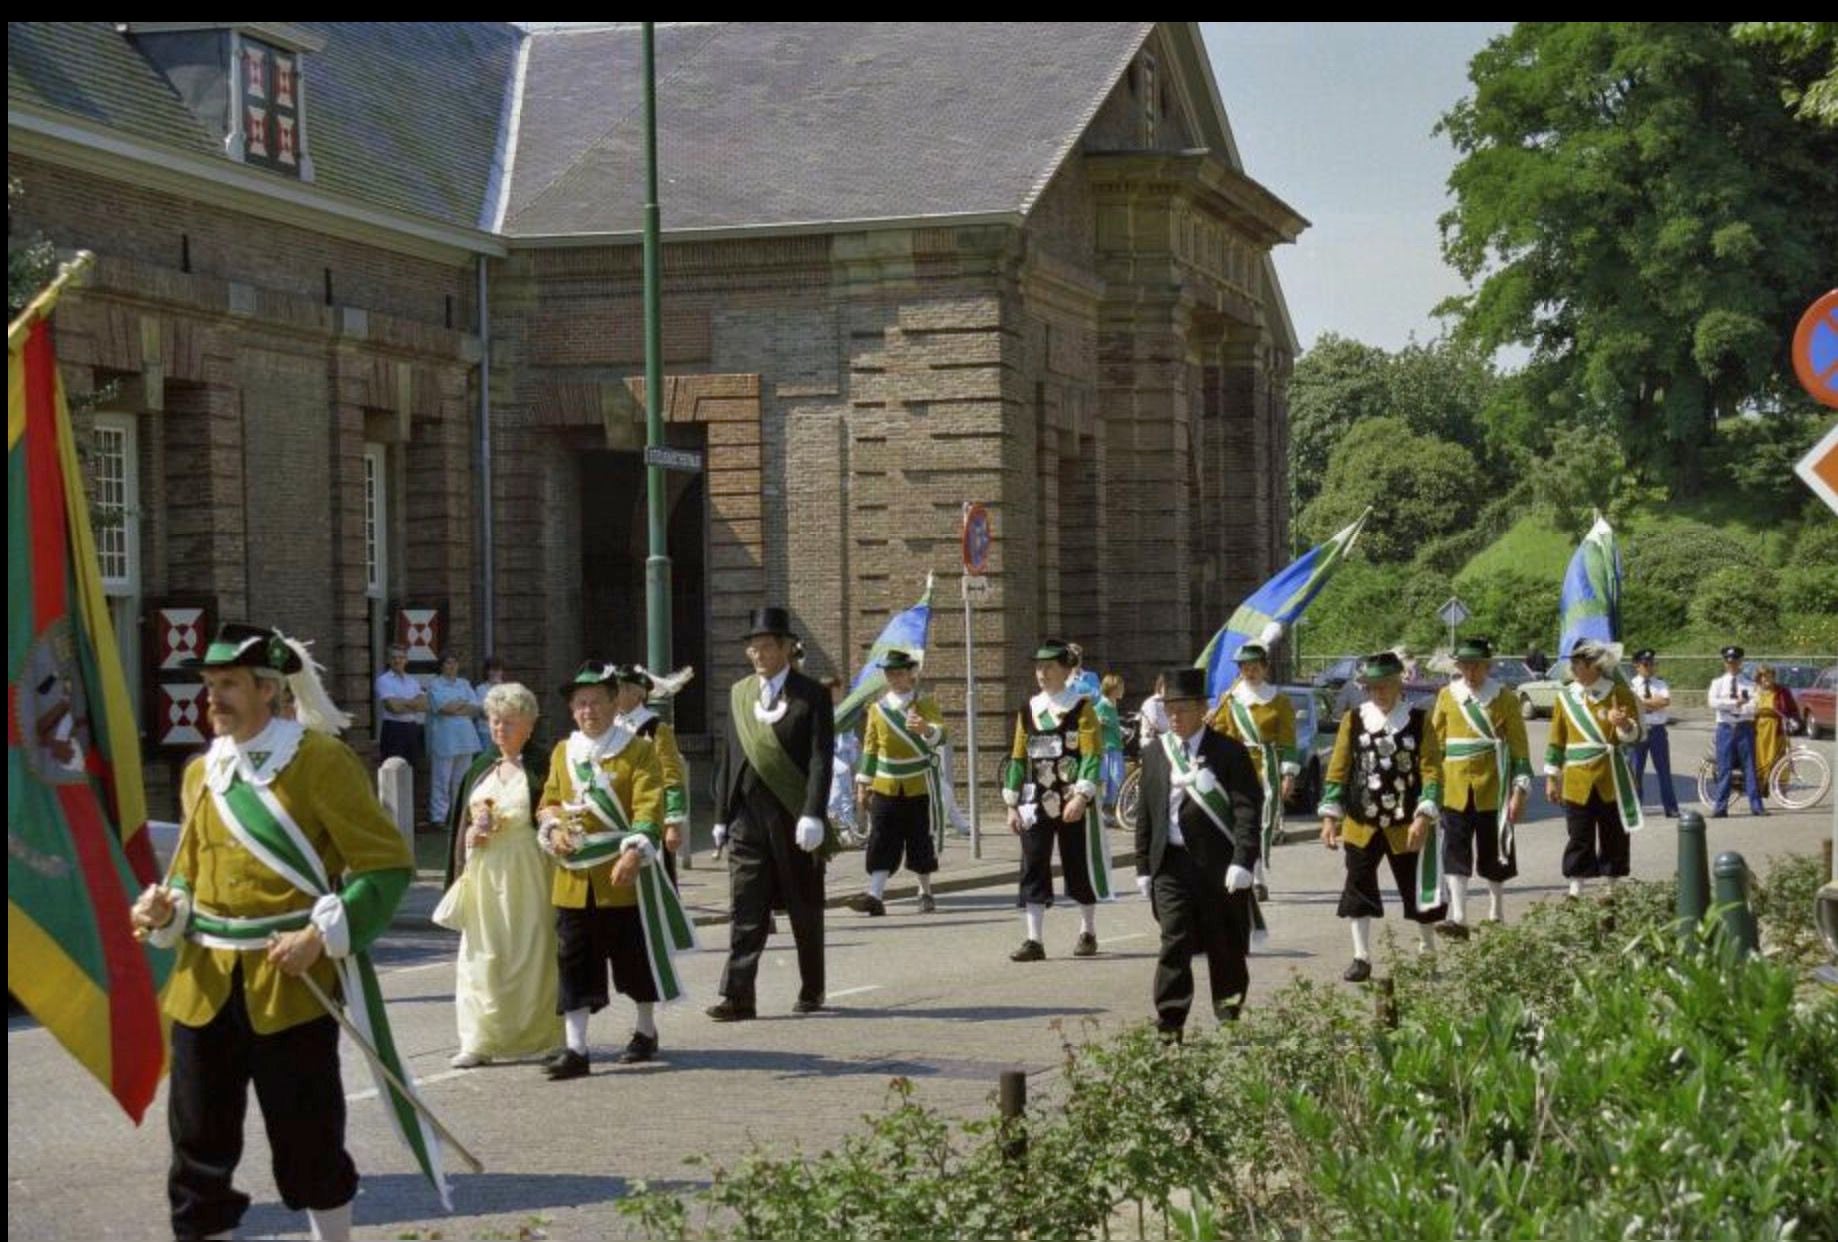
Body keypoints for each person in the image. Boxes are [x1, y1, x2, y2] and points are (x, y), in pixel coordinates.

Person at [130, 623, 419, 1241]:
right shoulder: (200, 772)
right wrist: (167, 907)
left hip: (290, 981)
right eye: (208, 686)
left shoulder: (318, 760)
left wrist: (321, 937)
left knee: (308, 1137)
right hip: (204, 984)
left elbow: (385, 865)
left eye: (228, 684)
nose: (213, 699)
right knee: (197, 1144)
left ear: (268, 689)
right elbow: (190, 874)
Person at [536, 662, 682, 1077]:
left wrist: (635, 852)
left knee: (632, 957)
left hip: (622, 873)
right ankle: (576, 1050)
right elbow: (548, 800)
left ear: (614, 702)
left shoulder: (637, 749)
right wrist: (553, 827)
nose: (588, 711)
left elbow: (648, 804)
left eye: (596, 702)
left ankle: (645, 1029)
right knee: (573, 960)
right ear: (571, 709)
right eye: (580, 704)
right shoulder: (564, 752)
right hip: (574, 876)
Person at [707, 608, 834, 1020]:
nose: (757, 653)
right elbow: (729, 757)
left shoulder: (810, 694)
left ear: (785, 648)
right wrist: (721, 816)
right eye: (753, 647)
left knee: (803, 904)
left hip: (792, 812)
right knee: (746, 905)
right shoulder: (740, 693)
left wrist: (813, 812)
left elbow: (820, 758)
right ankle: (738, 995)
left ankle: (812, 988)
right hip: (747, 815)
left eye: (765, 646)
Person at [438, 681, 563, 1068]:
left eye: (508, 722)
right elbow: (460, 827)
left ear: (529, 724)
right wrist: (470, 840)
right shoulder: (479, 768)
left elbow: (557, 814)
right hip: (485, 872)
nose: (499, 729)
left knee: (534, 952)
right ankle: (478, 1040)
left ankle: (548, 1037)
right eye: (494, 721)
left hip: (530, 870)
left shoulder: (546, 766)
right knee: (481, 956)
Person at [1133, 667, 1263, 1040]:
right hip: (1170, 865)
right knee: (1175, 940)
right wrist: (1144, 866)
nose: (1174, 717)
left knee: (1224, 945)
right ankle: (1170, 1024)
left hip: (1218, 866)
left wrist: (1243, 860)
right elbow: (1147, 812)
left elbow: (1246, 811)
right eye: (1168, 709)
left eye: (1182, 709)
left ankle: (1229, 1017)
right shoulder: (1157, 753)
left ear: (1201, 708)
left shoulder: (1228, 752)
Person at [1318, 651, 1446, 982]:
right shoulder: (1354, 719)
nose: (1379, 693)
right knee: (1358, 887)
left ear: (1398, 684)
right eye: (1372, 687)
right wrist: (1330, 816)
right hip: (1362, 822)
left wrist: (1424, 814)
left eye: (1385, 686)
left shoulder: (1419, 721)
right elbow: (1339, 767)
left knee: (1416, 889)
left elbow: (1432, 770)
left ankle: (1427, 951)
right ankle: (1361, 957)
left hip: (1406, 824)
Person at [1002, 638, 1112, 962]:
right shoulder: (1028, 709)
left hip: (1071, 799)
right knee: (1033, 862)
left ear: (1066, 670)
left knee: (1077, 863)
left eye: (1049, 666)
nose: (1042, 672)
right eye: (1038, 666)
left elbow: (1093, 754)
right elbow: (1018, 758)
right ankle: (1033, 939)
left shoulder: (1082, 708)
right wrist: (1011, 802)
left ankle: (1087, 930)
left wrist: (1082, 795)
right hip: (1034, 800)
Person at [1426, 636, 1531, 933]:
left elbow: (1520, 748)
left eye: (1477, 667)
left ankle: (1496, 910)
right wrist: (1430, 784)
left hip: (1493, 788)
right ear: (1458, 666)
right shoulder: (1447, 695)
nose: (1471, 673)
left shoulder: (1505, 698)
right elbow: (1436, 743)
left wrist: (1519, 790)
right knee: (1455, 850)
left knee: (1494, 847)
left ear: (1488, 667)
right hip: (1455, 787)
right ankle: (1458, 917)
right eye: (1466, 666)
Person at [1545, 639, 1645, 897]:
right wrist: (1552, 777)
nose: (1574, 667)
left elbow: (1635, 736)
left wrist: (1623, 725)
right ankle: (1575, 891)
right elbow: (1556, 740)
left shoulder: (1618, 693)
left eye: (1579, 662)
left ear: (1595, 665)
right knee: (1579, 834)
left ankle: (1611, 891)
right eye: (1574, 662)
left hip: (1612, 776)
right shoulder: (1565, 697)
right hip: (1577, 777)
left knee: (1614, 833)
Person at [851, 649, 945, 916]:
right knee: (881, 838)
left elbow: (943, 735)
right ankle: (875, 895)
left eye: (899, 673)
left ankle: (925, 891)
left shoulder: (923, 703)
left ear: (910, 674)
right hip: (885, 784)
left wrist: (926, 729)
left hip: (917, 783)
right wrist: (862, 784)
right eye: (890, 673)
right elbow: (870, 748)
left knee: (919, 839)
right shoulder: (877, 710)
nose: (894, 678)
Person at [1207, 644, 1298, 903]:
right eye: (1245, 667)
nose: (1250, 671)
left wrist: (1288, 774)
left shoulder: (1278, 700)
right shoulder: (1231, 698)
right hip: (1236, 766)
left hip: (1266, 768)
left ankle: (1258, 876)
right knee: (1238, 822)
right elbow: (1222, 735)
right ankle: (1243, 871)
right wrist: (1210, 725)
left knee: (1259, 823)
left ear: (1265, 668)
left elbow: (1288, 739)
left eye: (1255, 667)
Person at [611, 664, 694, 885]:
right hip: (618, 815)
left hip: (651, 815)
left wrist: (673, 823)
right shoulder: (610, 726)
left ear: (639, 693)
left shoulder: (656, 728)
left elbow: (672, 775)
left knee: (656, 881)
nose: (617, 694)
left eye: (623, 688)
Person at [1707, 645, 1765, 818]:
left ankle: (1757, 806)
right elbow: (1713, 703)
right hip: (1725, 728)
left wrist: (1733, 706)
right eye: (1728, 661)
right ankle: (1720, 808)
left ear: (1740, 662)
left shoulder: (1749, 684)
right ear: (1724, 663)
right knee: (1724, 769)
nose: (1731, 665)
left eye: (1735, 661)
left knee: (1750, 768)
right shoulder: (1717, 683)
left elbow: (1754, 707)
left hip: (1744, 728)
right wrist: (1736, 704)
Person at [426, 651, 482, 827]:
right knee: (441, 779)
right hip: (444, 738)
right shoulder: (435, 684)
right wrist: (461, 704)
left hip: (465, 738)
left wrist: (457, 706)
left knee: (461, 779)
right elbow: (444, 708)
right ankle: (438, 817)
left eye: (454, 662)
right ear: (442, 666)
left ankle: (459, 816)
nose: (452, 666)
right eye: (448, 663)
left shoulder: (464, 684)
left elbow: (475, 708)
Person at [1628, 649, 1680, 819]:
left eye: (1652, 664)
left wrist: (1641, 703)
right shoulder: (1630, 685)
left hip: (1658, 731)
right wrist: (1652, 703)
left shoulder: (1660, 684)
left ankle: (1671, 808)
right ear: (1637, 666)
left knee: (1664, 771)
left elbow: (1664, 701)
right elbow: (1631, 705)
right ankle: (1635, 809)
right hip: (1638, 730)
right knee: (1635, 772)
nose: (1650, 667)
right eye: (1646, 664)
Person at [374, 644, 427, 805]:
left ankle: (409, 813)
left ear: (406, 660)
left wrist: (403, 702)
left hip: (412, 729)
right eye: (394, 657)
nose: (398, 660)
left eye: (401, 657)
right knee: (391, 771)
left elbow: (424, 705)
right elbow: (393, 707)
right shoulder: (383, 680)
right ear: (389, 660)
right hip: (393, 730)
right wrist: (412, 703)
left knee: (413, 771)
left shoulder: (413, 681)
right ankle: (391, 812)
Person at [824, 676, 864, 846]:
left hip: (845, 757)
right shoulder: (822, 711)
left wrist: (854, 745)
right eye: (835, 691)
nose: (838, 694)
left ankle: (848, 830)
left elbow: (848, 736)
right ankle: (838, 828)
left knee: (847, 793)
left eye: (839, 690)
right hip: (829, 757)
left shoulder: (841, 710)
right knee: (836, 793)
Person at [1753, 665, 1798, 788]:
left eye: (1769, 676)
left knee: (1781, 760)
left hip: (1778, 732)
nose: (1766, 679)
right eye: (1763, 677)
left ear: (1774, 677)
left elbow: (1792, 710)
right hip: (1759, 734)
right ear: (1759, 678)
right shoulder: (1755, 691)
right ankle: (1761, 788)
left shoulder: (1782, 691)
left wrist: (1792, 721)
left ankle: (1782, 792)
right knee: (1761, 761)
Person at [1096, 674, 1127, 826]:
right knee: (1105, 780)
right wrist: (1098, 721)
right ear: (1112, 689)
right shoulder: (1102, 704)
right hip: (1106, 748)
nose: (1123, 690)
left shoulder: (1113, 704)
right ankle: (1103, 811)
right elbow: (1091, 720)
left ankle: (1109, 810)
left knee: (1117, 779)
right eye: (1120, 687)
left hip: (1116, 747)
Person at [474, 656, 508, 750]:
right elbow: (482, 712)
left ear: (502, 672)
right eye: (492, 670)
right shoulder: (480, 689)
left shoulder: (508, 689)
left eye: (498, 670)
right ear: (487, 672)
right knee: (488, 762)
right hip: (486, 731)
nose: (495, 673)